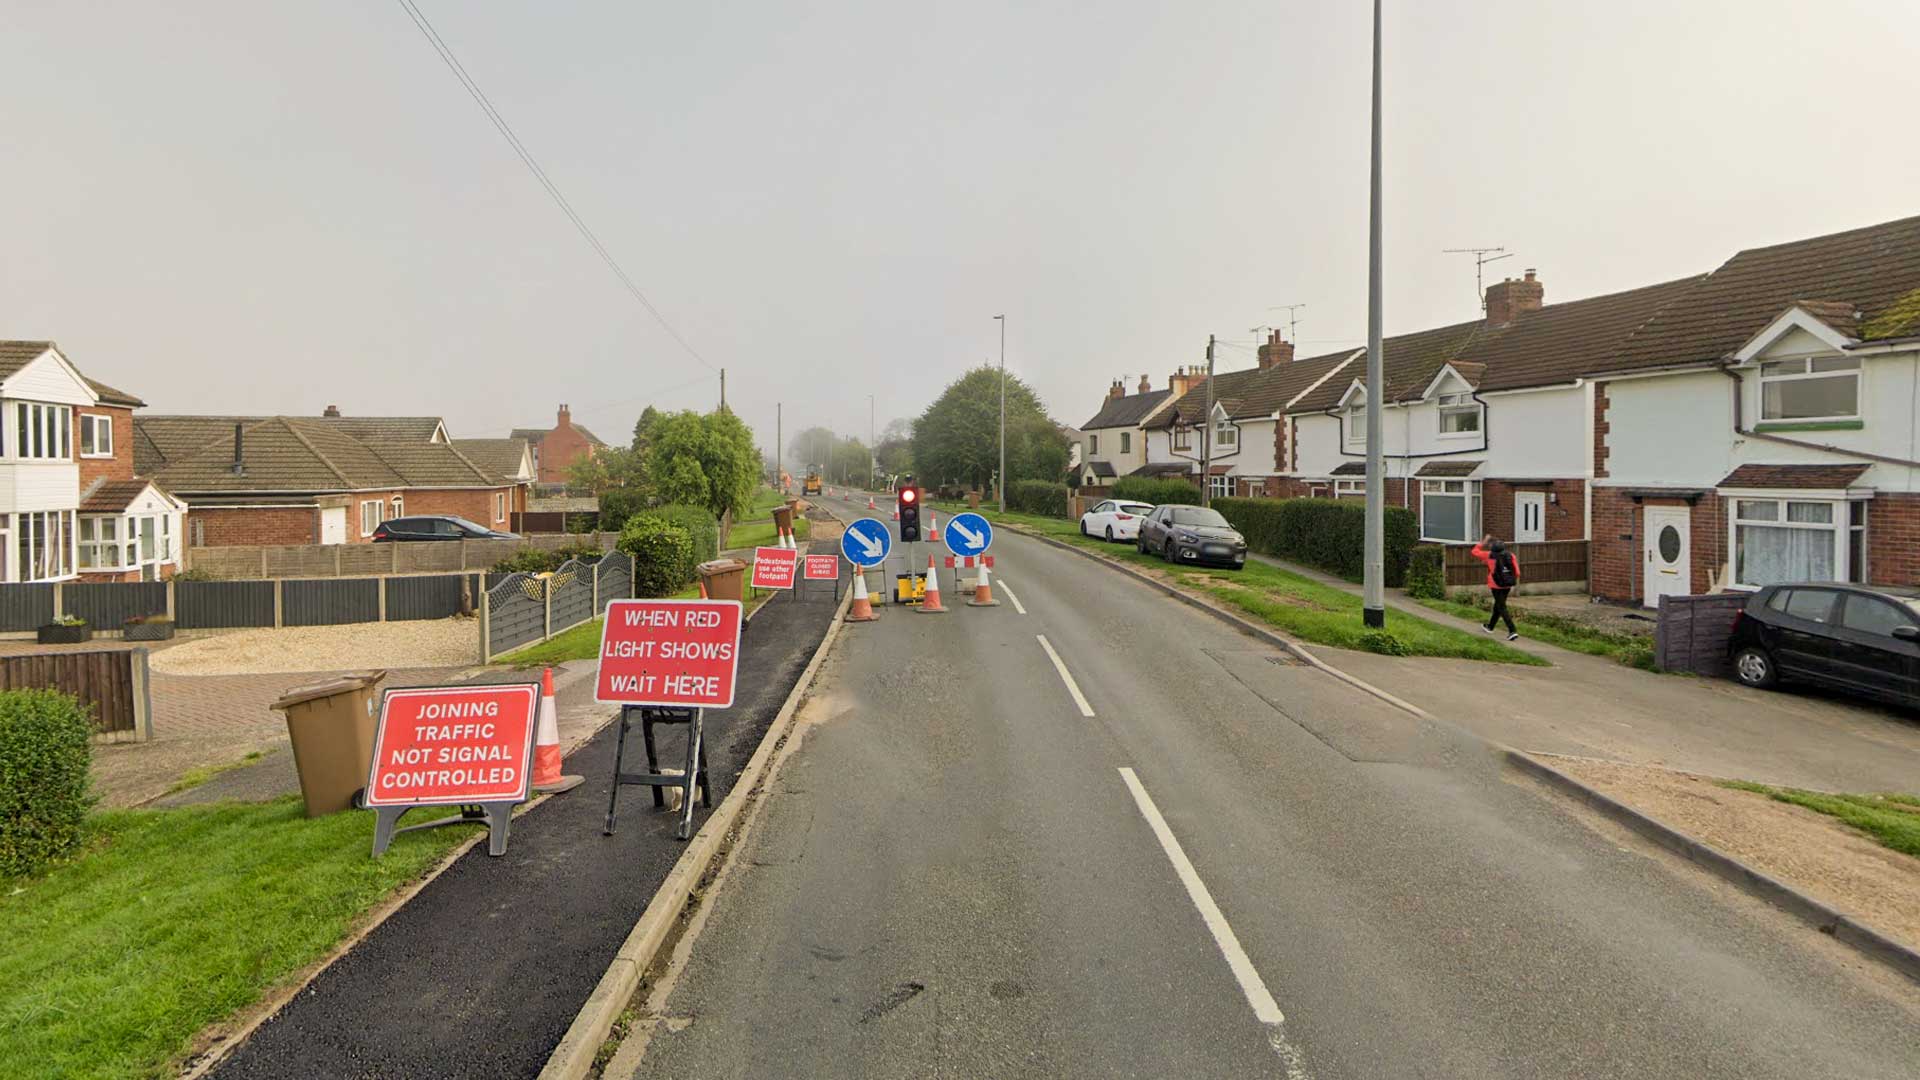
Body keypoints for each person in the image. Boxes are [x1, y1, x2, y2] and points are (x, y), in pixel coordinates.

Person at [1471, 534, 1521, 640]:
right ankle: (1490, 627)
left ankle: (1512, 630)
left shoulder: (1489, 555)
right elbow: (1517, 572)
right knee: (1498, 606)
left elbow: (1474, 551)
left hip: (1495, 585)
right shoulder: (1511, 555)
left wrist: (1483, 542)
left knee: (1501, 607)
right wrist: (1508, 579)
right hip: (1507, 584)